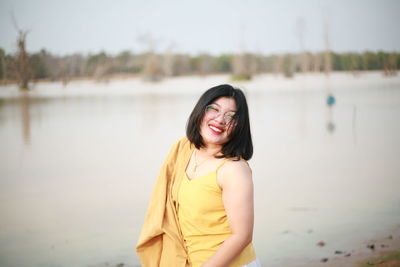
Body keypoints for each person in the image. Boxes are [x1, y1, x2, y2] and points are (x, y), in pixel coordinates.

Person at [136, 84, 261, 267]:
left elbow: (242, 236)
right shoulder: (183, 150)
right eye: (214, 109)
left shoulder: (234, 169)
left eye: (230, 116)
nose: (220, 120)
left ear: (239, 126)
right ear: (200, 111)